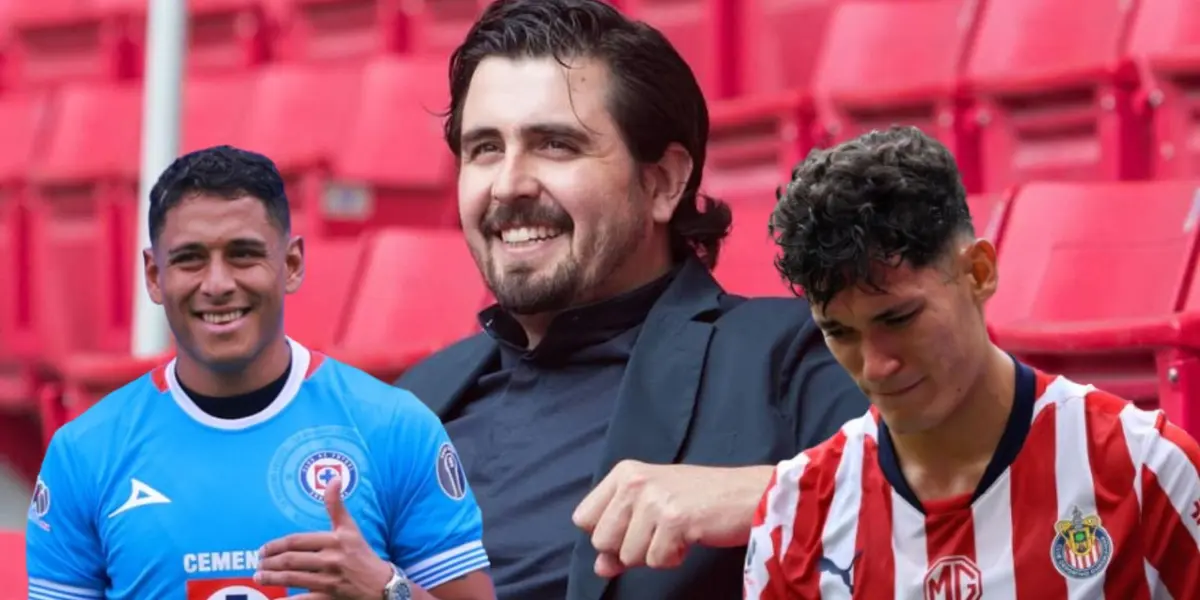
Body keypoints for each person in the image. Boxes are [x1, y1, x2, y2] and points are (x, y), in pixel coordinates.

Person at [394, 1, 869, 599]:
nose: (510, 183)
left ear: (663, 182)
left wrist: (768, 497)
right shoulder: (412, 402)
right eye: (485, 148)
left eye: (555, 145)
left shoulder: (790, 356)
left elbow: (947, 519)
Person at [744, 126, 1200, 599]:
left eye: (898, 318)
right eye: (839, 332)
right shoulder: (792, 517)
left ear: (979, 272)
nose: (876, 366)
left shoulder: (1147, 470)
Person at [25, 146, 495, 600]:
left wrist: (385, 590)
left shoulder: (394, 428)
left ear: (290, 264)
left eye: (243, 254)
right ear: (153, 275)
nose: (218, 284)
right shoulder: (84, 452)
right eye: (190, 258)